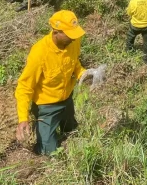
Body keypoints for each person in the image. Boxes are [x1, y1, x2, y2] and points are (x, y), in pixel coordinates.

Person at [15, 10, 97, 154]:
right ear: (56, 32)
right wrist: (23, 118)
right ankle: (43, 131)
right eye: (69, 35)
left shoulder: (74, 41)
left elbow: (74, 63)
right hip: (47, 107)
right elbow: (24, 87)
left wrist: (83, 74)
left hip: (67, 100)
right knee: (48, 152)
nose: (73, 38)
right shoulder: (40, 53)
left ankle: (64, 125)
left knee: (71, 132)